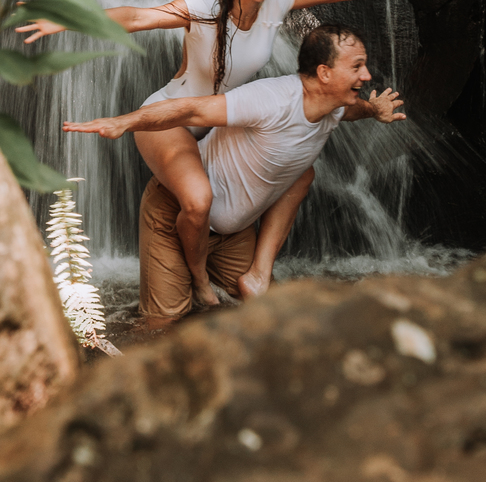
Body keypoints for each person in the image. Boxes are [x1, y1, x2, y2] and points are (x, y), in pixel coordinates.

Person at [21, 0, 460, 306]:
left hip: (220, 120)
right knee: (198, 200)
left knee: (300, 169)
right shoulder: (205, 9)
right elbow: (136, 17)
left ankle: (252, 272)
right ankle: (197, 281)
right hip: (170, 117)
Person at [64, 23, 404, 330]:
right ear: (324, 73)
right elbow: (191, 109)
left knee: (267, 314)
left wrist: (374, 110)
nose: (367, 76)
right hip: (178, 215)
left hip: (233, 232)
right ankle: (196, 279)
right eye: (357, 66)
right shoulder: (270, 99)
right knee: (160, 327)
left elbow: (352, 111)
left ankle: (259, 275)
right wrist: (127, 121)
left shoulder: (333, 105)